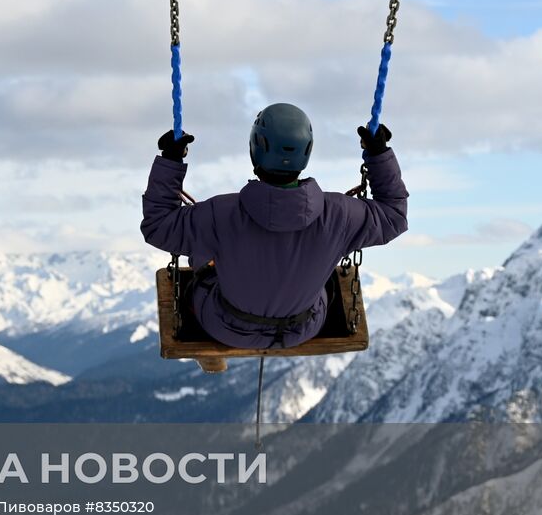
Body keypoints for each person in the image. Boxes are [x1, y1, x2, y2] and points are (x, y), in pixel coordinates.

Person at [141, 103, 408, 349]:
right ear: (307, 151)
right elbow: (393, 215)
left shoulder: (219, 214)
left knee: (200, 277)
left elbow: (158, 225)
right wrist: (378, 154)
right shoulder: (340, 214)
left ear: (255, 149)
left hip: (225, 327)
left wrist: (171, 159)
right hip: (303, 327)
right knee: (327, 280)